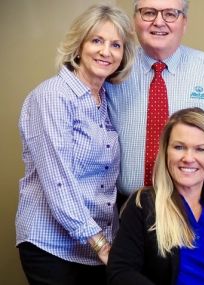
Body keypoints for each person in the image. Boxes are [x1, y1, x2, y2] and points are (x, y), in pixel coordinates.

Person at [15, 4, 135, 285]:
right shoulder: (53, 96)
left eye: (116, 45)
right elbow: (59, 181)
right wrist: (101, 245)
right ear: (79, 46)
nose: (106, 52)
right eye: (97, 40)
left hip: (93, 246)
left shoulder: (105, 100)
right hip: (53, 246)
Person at [105, 0, 204, 200]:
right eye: (148, 13)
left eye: (170, 14)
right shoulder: (113, 72)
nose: (159, 22)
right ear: (135, 21)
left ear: (184, 22)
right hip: (129, 209)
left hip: (201, 209)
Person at [107, 107, 204, 285]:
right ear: (166, 151)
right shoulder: (143, 206)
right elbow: (120, 271)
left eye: (200, 149)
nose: (188, 158)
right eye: (179, 147)